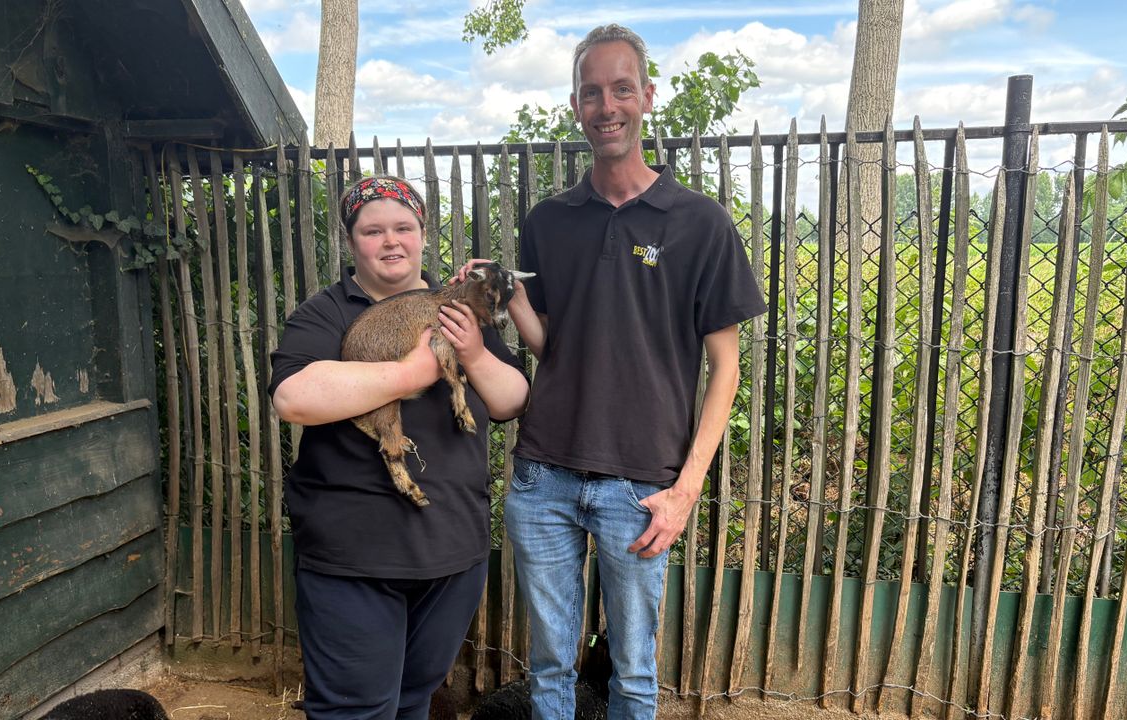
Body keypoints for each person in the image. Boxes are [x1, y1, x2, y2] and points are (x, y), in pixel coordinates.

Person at [457, 23, 766, 720]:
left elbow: (725, 371)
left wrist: (685, 492)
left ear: (647, 97)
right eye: (592, 92)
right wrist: (504, 292)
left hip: (641, 487)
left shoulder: (700, 224)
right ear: (576, 108)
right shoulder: (550, 221)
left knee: (632, 677)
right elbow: (551, 345)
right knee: (548, 671)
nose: (607, 105)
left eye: (621, 88)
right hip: (543, 476)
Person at [269, 175, 530, 720]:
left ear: (423, 235)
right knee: (356, 709)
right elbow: (294, 399)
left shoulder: (460, 307)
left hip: (452, 551)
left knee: (413, 700)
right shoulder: (326, 314)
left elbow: (510, 401)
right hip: (353, 557)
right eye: (373, 230)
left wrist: (476, 354)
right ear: (350, 242)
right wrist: (412, 370)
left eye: (403, 227)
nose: (391, 241)